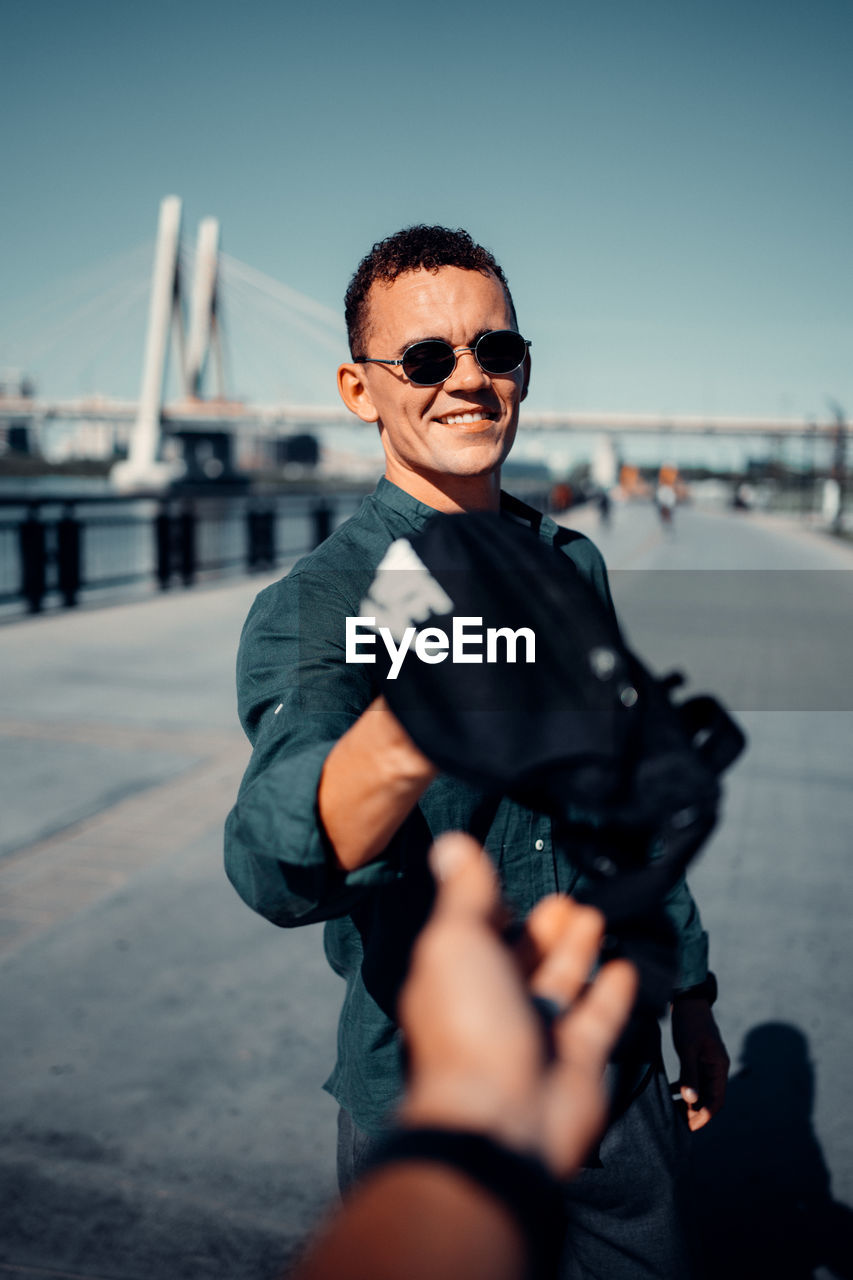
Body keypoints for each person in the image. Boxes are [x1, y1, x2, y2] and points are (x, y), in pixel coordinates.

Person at [224, 225, 729, 1278]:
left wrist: (691, 993)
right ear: (360, 392)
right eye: (424, 358)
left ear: (524, 368)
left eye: (494, 351)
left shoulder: (569, 561)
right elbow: (273, 854)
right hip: (430, 1097)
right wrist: (418, 716)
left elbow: (624, 801)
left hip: (613, 1074)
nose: (468, 379)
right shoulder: (320, 603)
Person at [289, 831, 639, 1280]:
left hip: (618, 1054)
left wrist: (691, 990)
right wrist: (473, 1119)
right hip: (403, 1082)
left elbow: (657, 831)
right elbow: (277, 877)